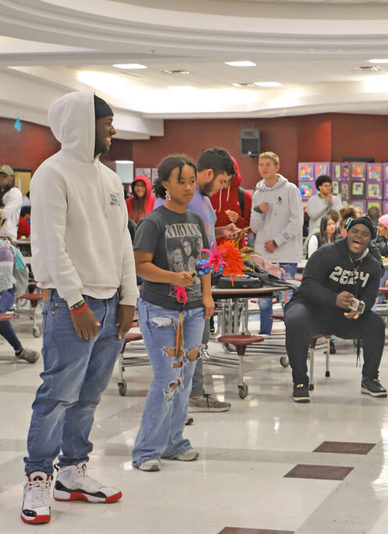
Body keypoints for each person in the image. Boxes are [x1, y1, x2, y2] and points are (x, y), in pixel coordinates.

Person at [23, 92, 138, 524]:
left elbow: (122, 240)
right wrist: (75, 302)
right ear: (80, 125)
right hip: (72, 304)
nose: (112, 130)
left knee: (88, 397)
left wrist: (129, 297)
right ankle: (38, 476)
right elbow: (52, 246)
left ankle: (72, 472)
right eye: (106, 123)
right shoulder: (51, 174)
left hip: (110, 303)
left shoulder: (108, 178)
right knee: (57, 396)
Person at [131, 155, 214, 471]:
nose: (189, 187)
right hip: (160, 309)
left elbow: (205, 260)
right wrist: (172, 277)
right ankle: (145, 451)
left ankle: (174, 442)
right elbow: (141, 266)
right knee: (167, 377)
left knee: (186, 377)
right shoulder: (152, 222)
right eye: (182, 181)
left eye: (192, 181)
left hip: (193, 310)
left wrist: (206, 294)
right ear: (165, 183)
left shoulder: (194, 220)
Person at [154, 147, 237, 413]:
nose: (222, 189)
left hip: (196, 280)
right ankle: (191, 395)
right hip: (183, 285)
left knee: (195, 342)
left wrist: (222, 231)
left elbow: (203, 238)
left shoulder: (201, 200)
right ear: (209, 173)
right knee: (189, 344)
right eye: (222, 182)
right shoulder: (186, 202)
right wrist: (205, 291)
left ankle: (190, 393)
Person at [283, 217, 386, 402]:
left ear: (370, 239)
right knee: (296, 320)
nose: (359, 237)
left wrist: (360, 308)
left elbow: (370, 297)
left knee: (376, 324)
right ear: (346, 233)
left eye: (365, 234)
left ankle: (370, 378)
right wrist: (334, 299)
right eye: (355, 232)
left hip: (342, 316)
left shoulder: (372, 266)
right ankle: (300, 381)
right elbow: (307, 286)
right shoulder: (326, 254)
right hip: (310, 308)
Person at [250, 151, 303, 334]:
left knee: (286, 298)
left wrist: (277, 241)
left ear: (277, 167)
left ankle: (293, 335)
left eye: (268, 164)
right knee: (264, 300)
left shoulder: (290, 189)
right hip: (263, 255)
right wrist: (257, 211)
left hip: (286, 254)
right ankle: (264, 334)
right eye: (261, 164)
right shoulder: (257, 194)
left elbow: (297, 221)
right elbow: (254, 228)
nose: (264, 168)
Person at [0, 233, 39, 363]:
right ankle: (19, 350)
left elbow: (3, 283)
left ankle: (19, 350)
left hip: (4, 292)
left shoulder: (4, 250)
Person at [209, 156, 251, 241]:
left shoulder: (244, 196)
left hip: (236, 251)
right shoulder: (207, 194)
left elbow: (252, 228)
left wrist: (238, 220)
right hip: (211, 250)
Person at [0, 164, 23, 239]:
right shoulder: (2, 193)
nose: (2, 179)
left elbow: (4, 214)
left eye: (5, 176)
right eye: (0, 176)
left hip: (7, 237)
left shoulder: (15, 193)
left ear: (11, 178)